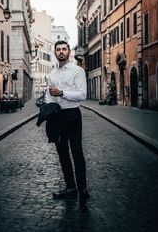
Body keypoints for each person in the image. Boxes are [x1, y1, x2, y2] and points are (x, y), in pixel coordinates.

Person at [45, 40, 90, 207]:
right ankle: (70, 188)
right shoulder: (52, 74)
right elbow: (49, 94)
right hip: (57, 116)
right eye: (58, 49)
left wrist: (61, 93)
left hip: (72, 115)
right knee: (62, 154)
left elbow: (82, 94)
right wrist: (48, 107)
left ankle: (83, 190)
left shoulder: (78, 71)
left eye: (64, 49)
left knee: (77, 152)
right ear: (55, 52)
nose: (61, 52)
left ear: (69, 51)